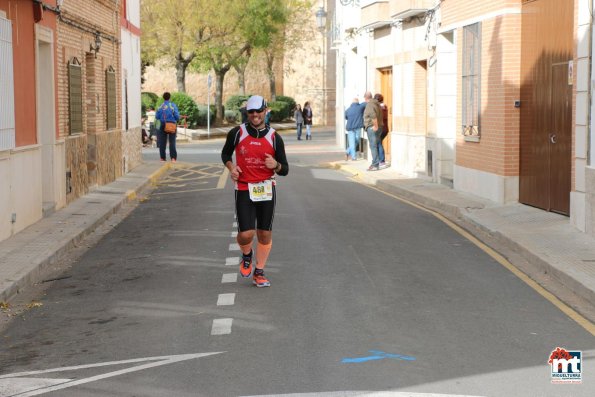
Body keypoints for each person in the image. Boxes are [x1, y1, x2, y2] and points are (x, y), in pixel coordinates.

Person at [221, 95, 289, 288]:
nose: (255, 115)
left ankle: (259, 272)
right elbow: (225, 153)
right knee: (246, 234)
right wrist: (231, 167)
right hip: (243, 187)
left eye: (258, 111)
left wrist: (275, 164)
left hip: (266, 188)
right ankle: (246, 254)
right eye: (251, 112)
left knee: (264, 234)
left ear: (265, 111)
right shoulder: (237, 133)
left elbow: (285, 169)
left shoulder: (275, 137)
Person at [155, 92, 180, 162]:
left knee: (162, 142)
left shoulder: (160, 106)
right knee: (172, 142)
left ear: (163, 98)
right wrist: (175, 119)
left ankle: (162, 158)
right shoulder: (172, 105)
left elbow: (157, 117)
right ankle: (173, 158)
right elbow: (177, 116)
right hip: (171, 124)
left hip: (162, 124)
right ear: (169, 97)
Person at [363, 91, 384, 171]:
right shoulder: (376, 104)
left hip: (372, 127)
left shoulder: (370, 104)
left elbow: (373, 115)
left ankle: (375, 164)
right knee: (377, 145)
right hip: (379, 126)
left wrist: (375, 126)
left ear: (365, 98)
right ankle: (375, 162)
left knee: (373, 146)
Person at [374, 93, 390, 169]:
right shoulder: (385, 107)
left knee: (378, 143)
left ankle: (381, 161)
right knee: (379, 143)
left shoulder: (377, 108)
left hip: (380, 129)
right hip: (385, 129)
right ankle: (380, 160)